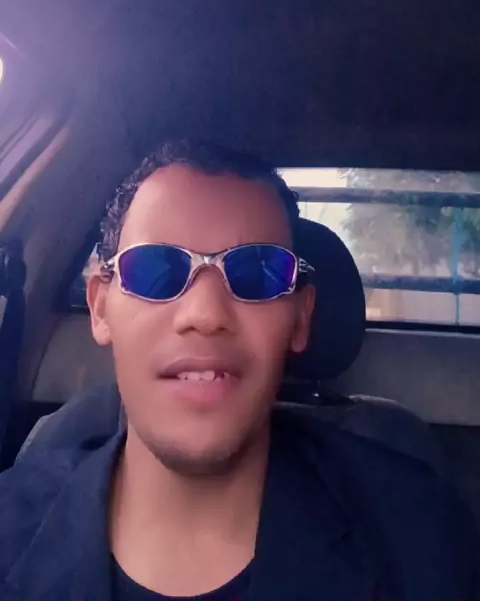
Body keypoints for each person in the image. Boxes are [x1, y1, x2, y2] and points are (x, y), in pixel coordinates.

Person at [0, 139, 477, 601]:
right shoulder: (10, 530)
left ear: (301, 318)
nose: (206, 314)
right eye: (155, 269)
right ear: (101, 308)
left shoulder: (421, 538)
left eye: (258, 273)